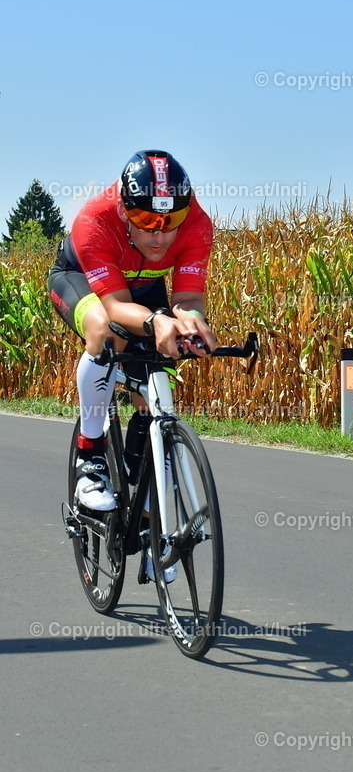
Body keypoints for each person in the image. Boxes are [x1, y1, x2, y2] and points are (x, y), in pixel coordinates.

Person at [48, 150, 217, 577]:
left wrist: (193, 323)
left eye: (170, 223)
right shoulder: (95, 220)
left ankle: (146, 514)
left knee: (156, 384)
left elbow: (187, 299)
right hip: (83, 281)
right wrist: (158, 321)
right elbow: (117, 305)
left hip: (145, 291)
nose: (160, 237)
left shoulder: (197, 223)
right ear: (124, 209)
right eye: (145, 223)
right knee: (105, 331)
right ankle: (91, 458)